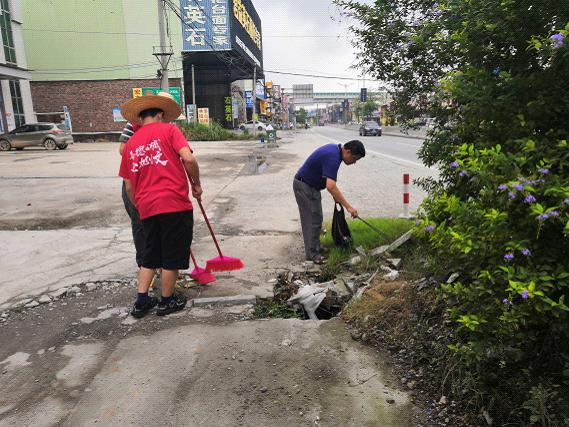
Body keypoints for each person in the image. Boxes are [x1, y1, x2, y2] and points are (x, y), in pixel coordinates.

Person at [119, 92, 202, 318]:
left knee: (150, 255)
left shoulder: (130, 144)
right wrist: (196, 184)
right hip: (174, 203)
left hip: (146, 206)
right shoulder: (169, 130)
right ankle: (166, 301)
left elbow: (128, 186)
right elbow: (189, 159)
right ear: (160, 115)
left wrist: (140, 205)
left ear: (141, 117)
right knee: (171, 256)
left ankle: (141, 302)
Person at [293, 140, 366, 264]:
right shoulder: (333, 157)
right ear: (348, 152)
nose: (354, 163)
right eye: (354, 159)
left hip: (310, 186)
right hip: (305, 186)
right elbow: (331, 186)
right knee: (311, 221)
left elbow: (328, 181)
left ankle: (315, 247)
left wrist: (337, 199)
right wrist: (348, 207)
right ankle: (312, 254)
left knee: (316, 219)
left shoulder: (335, 150)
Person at [118, 122, 144, 267]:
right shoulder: (133, 124)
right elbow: (122, 149)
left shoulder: (169, 127)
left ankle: (162, 264)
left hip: (157, 182)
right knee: (139, 224)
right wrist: (144, 149)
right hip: (135, 180)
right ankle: (144, 264)